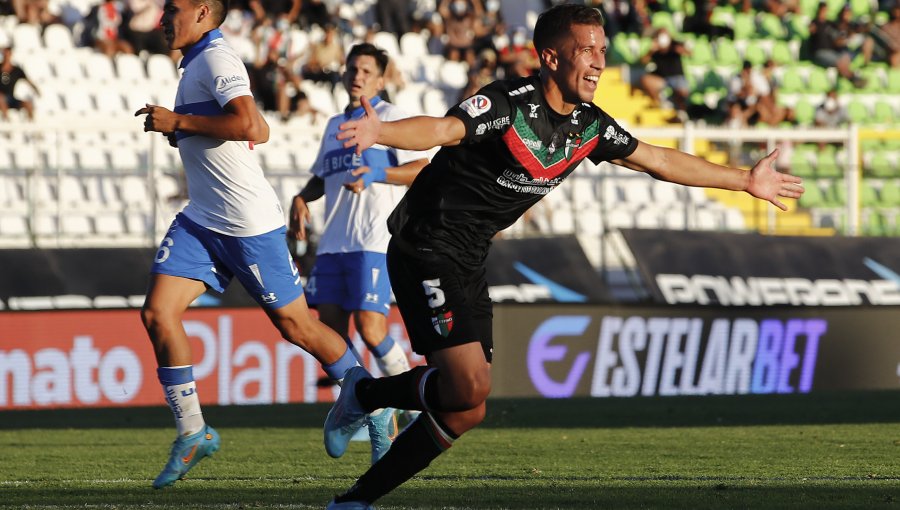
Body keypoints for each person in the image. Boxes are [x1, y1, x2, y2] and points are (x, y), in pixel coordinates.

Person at [323, 4, 805, 508]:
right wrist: (384, 133)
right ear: (550, 57)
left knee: (467, 408)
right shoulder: (509, 103)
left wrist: (745, 180)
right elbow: (443, 131)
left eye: (603, 49)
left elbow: (658, 160)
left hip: (470, 254)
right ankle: (364, 402)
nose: (599, 61)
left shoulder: (589, 126)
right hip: (426, 241)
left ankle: (356, 478)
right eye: (586, 50)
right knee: (467, 384)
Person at [133, 0, 389, 489]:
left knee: (297, 328)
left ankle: (371, 401)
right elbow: (262, 127)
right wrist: (182, 130)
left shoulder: (216, 59)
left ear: (203, 12)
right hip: (202, 219)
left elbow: (251, 127)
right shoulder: (197, 63)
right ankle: (193, 433)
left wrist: (180, 124)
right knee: (157, 314)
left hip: (248, 224)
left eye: (173, 9)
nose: (163, 19)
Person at [288, 42, 429, 458]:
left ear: (381, 79)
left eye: (367, 70)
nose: (358, 76)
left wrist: (378, 173)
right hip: (333, 245)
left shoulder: (389, 118)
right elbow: (321, 177)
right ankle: (376, 405)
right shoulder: (334, 124)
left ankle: (413, 405)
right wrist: (300, 197)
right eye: (352, 68)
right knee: (330, 335)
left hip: (373, 240)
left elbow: (422, 168)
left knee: (371, 327)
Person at [0, 46, 40, 121]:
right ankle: (7, 122)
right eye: (4, 54)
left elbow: (27, 80)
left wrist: (36, 89)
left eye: (7, 54)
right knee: (1, 98)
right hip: (1, 98)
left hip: (11, 98)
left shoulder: (16, 70)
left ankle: (32, 125)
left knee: (28, 104)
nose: (6, 56)